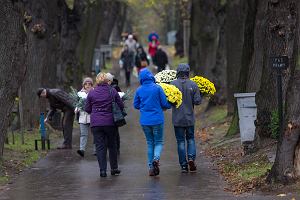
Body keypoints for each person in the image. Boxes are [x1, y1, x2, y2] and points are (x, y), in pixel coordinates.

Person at [85, 72, 124, 178]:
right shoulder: (112, 91)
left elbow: (87, 109)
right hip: (110, 122)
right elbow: (121, 105)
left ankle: (102, 171)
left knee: (100, 147)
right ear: (107, 80)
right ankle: (114, 168)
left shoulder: (92, 93)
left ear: (97, 81)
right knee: (112, 145)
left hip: (96, 124)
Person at [133, 68, 171, 176]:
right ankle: (156, 158)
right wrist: (170, 104)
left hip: (145, 121)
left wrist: (144, 107)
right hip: (157, 119)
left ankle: (150, 167)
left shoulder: (139, 90)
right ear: (150, 76)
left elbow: (135, 105)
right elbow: (164, 103)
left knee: (150, 143)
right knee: (158, 142)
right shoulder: (157, 88)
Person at [170, 63, 201, 173]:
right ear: (187, 72)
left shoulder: (172, 85)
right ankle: (191, 158)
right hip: (189, 118)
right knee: (191, 139)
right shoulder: (193, 84)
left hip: (177, 119)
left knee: (180, 142)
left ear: (178, 72)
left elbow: (169, 102)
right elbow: (197, 101)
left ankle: (183, 165)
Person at [75, 77, 94, 157]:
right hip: (83, 117)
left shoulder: (94, 92)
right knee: (83, 134)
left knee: (95, 134)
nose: (87, 85)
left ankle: (96, 150)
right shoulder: (80, 93)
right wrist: (76, 109)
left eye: (89, 84)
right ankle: (82, 150)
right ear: (84, 85)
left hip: (92, 116)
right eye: (86, 84)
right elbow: (77, 103)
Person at [106, 73, 121, 155]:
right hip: (109, 113)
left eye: (108, 80)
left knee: (115, 132)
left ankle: (116, 148)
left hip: (114, 113)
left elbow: (120, 99)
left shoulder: (115, 87)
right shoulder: (102, 87)